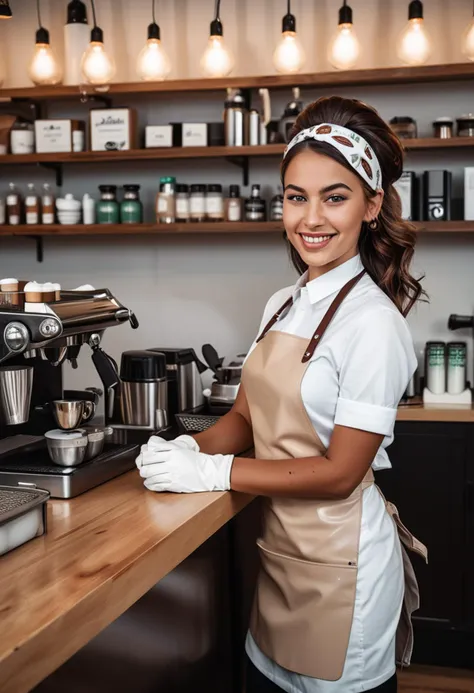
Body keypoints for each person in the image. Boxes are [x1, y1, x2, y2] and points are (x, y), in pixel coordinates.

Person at [136, 95, 428, 693]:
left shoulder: (374, 323)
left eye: (335, 196)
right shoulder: (284, 302)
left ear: (371, 206)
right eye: (297, 197)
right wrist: (185, 450)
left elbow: (340, 473)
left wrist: (214, 473)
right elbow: (245, 416)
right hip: (281, 556)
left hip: (344, 569)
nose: (311, 218)